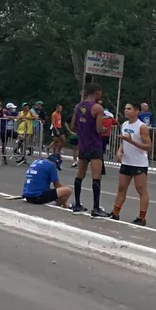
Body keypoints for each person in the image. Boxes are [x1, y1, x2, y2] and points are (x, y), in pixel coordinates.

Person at [69, 83, 111, 218]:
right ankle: (96, 208)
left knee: (80, 175)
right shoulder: (97, 108)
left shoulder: (79, 106)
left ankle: (77, 203)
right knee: (96, 177)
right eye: (100, 93)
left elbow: (73, 126)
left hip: (83, 144)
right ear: (96, 92)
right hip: (94, 145)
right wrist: (103, 130)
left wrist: (83, 130)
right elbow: (99, 129)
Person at [110, 103, 151, 225]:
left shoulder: (142, 127)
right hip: (127, 162)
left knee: (141, 190)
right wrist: (119, 151)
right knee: (121, 188)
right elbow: (123, 142)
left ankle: (142, 217)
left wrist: (132, 141)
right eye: (125, 108)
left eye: (129, 109)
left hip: (139, 163)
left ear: (137, 111)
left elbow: (148, 147)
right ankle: (115, 213)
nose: (126, 111)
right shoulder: (124, 124)